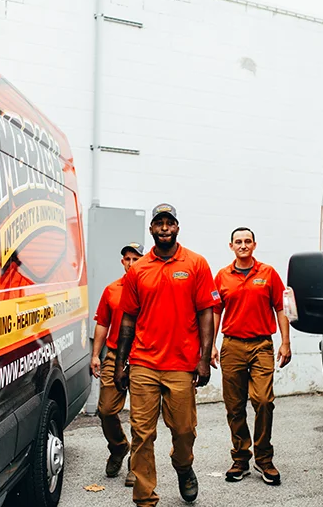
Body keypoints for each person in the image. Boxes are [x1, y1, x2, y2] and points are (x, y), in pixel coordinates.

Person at [114, 203, 220, 507]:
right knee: (142, 435)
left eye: (169, 222)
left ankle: (183, 467)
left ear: (177, 227)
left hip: (182, 364)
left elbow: (206, 312)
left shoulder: (196, 263)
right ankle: (145, 499)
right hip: (144, 362)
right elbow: (128, 319)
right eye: (158, 223)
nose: (164, 228)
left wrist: (203, 358)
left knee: (184, 431)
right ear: (151, 229)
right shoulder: (138, 270)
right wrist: (122, 363)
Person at [210, 227, 291, 486]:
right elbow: (214, 313)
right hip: (232, 346)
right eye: (238, 242)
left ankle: (264, 459)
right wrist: (210, 345)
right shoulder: (222, 276)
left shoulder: (267, 274)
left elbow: (281, 307)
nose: (243, 245)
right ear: (231, 246)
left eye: (247, 241)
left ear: (254, 245)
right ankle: (241, 458)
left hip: (261, 346)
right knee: (234, 406)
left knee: (263, 400)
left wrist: (285, 342)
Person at [90, 242, 145, 487]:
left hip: (143, 356)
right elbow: (102, 323)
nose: (131, 263)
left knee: (141, 416)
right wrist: (95, 355)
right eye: (127, 259)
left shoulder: (150, 287)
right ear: (122, 262)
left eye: (136, 258)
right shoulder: (112, 290)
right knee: (106, 410)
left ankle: (137, 463)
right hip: (114, 355)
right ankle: (119, 447)